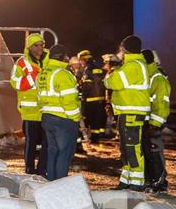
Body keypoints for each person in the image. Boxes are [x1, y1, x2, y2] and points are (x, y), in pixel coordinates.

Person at [104, 34, 151, 190]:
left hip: (132, 112)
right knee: (126, 148)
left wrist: (111, 73)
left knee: (132, 147)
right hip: (127, 111)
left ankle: (137, 183)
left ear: (125, 49)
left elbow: (112, 83)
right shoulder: (131, 65)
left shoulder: (132, 65)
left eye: (121, 48)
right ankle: (126, 180)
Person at [38, 44, 81, 180]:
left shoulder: (43, 73)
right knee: (64, 153)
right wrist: (76, 118)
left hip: (47, 117)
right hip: (63, 119)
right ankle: (61, 184)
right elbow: (69, 100)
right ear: (63, 57)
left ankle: (52, 183)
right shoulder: (63, 74)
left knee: (52, 152)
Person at [10, 33, 49, 176]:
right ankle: (29, 170)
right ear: (29, 47)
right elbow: (15, 83)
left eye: (41, 45)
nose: (40, 48)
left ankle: (42, 170)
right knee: (31, 142)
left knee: (47, 142)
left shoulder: (49, 60)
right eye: (36, 45)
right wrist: (33, 77)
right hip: (30, 111)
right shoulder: (21, 63)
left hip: (47, 109)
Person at [141, 49, 171, 193]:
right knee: (148, 152)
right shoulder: (149, 76)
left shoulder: (158, 78)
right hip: (147, 122)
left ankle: (159, 182)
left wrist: (155, 124)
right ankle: (151, 180)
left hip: (153, 123)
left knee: (155, 152)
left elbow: (162, 103)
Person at [78, 50, 109, 141]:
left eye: (80, 60)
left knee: (91, 118)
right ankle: (100, 135)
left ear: (84, 59)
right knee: (99, 117)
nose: (80, 62)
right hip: (101, 98)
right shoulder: (99, 69)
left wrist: (83, 97)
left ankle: (94, 138)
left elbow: (87, 85)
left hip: (91, 99)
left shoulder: (88, 70)